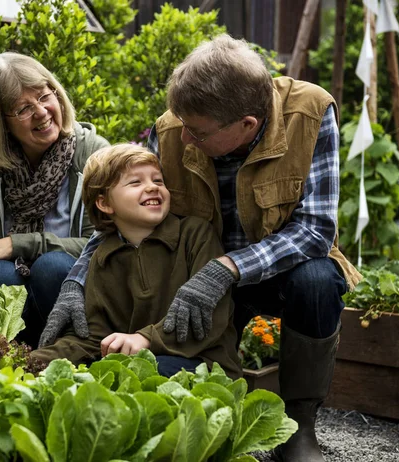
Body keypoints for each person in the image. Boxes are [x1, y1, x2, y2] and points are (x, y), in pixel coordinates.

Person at [40, 35, 362, 461]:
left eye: (199, 132)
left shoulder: (310, 113)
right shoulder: (173, 127)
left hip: (271, 271)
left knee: (318, 280)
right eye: (183, 124)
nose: (185, 139)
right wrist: (76, 280)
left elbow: (315, 232)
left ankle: (298, 425)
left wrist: (226, 268)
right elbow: (122, 217)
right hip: (193, 276)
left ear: (246, 124)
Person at [0, 52, 109, 349]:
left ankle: (71, 353)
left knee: (51, 266)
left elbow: (104, 241)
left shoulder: (92, 152)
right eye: (24, 108)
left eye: (44, 96)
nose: (41, 112)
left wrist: (16, 243)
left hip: (77, 292)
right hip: (14, 301)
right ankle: (13, 359)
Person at [31, 144, 242, 379]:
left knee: (138, 372)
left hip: (205, 366)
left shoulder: (196, 235)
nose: (152, 187)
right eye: (135, 182)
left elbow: (209, 320)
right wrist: (34, 362)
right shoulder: (102, 256)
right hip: (137, 365)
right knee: (94, 376)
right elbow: (93, 336)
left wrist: (144, 339)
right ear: (105, 204)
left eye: (158, 181)